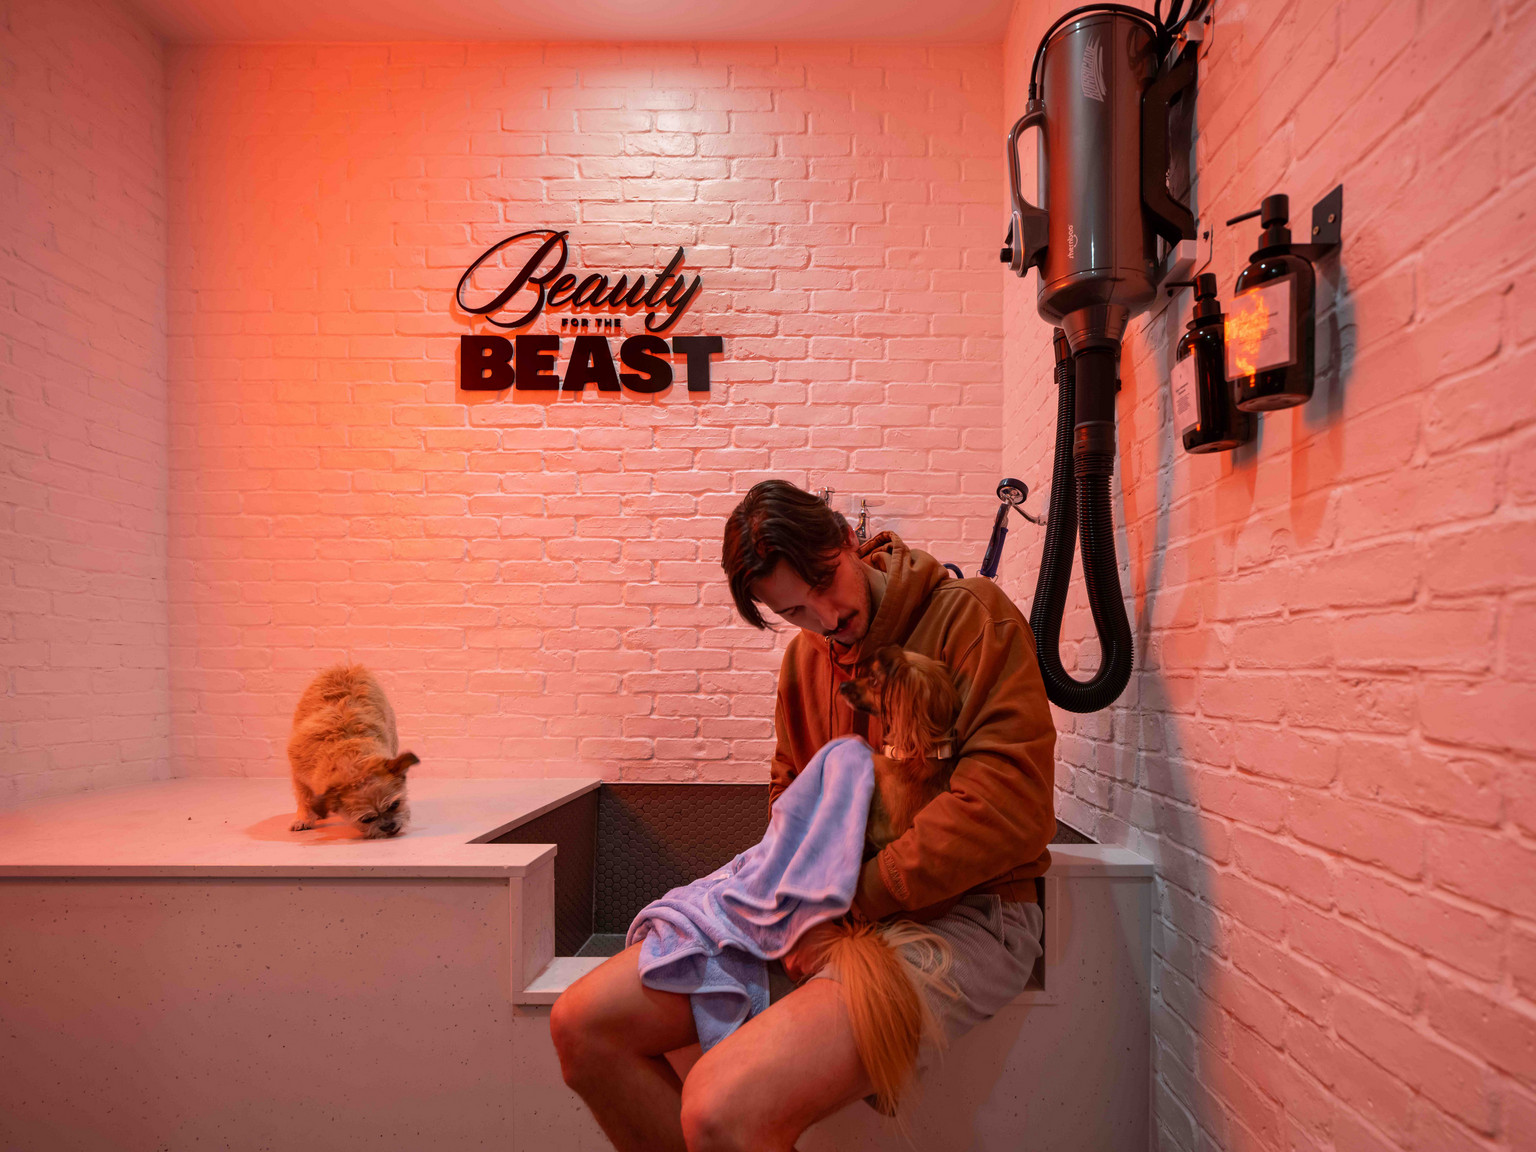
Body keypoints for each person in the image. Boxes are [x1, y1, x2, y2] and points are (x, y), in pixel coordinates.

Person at [550, 479, 1057, 1152]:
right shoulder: (805, 661)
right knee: (582, 1025)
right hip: (834, 909)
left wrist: (847, 904)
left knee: (721, 1108)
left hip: (971, 911)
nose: (825, 616)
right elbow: (790, 795)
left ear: (848, 539)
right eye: (793, 610)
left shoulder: (973, 619)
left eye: (824, 581)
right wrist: (797, 904)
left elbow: (1007, 806)